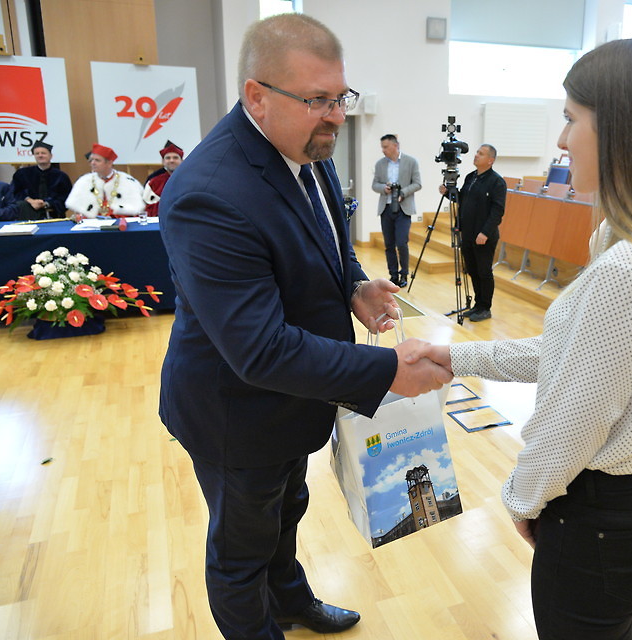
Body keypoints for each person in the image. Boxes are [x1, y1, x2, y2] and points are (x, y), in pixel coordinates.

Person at [157, 14, 451, 640]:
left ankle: (290, 602)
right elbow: (259, 350)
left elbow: (324, 238)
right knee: (241, 550)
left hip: (297, 395)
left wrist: (354, 286)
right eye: (318, 100)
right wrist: (387, 370)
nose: (337, 117)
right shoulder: (210, 192)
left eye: (341, 97)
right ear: (257, 96)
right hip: (236, 412)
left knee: (287, 509)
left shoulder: (305, 148)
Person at [431, 33, 632, 640]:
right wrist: (453, 355)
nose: (561, 141)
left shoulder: (628, 266)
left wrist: (524, 498)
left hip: (599, 520)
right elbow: (570, 356)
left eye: (570, 119)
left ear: (621, 130)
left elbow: (576, 417)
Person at [438, 144, 507, 322]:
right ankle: (478, 304)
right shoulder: (471, 177)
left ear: (490, 160)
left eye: (481, 154)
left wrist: (485, 232)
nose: (476, 155)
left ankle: (485, 307)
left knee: (484, 272)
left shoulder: (497, 182)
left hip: (483, 236)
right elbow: (462, 199)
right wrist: (448, 193)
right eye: (477, 152)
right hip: (467, 233)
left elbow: (497, 211)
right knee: (472, 270)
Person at [371, 134, 421, 287]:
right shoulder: (380, 164)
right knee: (389, 244)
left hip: (403, 208)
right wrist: (383, 188)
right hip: (386, 208)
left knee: (401, 243)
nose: (383, 150)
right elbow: (375, 185)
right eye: (382, 147)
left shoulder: (411, 162)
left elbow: (417, 184)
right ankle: (393, 275)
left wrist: (402, 192)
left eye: (385, 147)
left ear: (395, 145)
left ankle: (404, 274)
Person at [65, 143, 145, 217]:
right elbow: (79, 213)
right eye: (91, 160)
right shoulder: (84, 181)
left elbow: (134, 212)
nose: (93, 163)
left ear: (109, 163)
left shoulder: (127, 181)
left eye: (97, 160)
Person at [10, 141, 72, 219]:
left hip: (54, 216)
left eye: (43, 153)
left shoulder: (61, 176)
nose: (40, 155)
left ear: (51, 156)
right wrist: (30, 201)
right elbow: (15, 192)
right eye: (37, 153)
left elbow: (67, 198)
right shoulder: (22, 174)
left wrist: (46, 203)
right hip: (28, 215)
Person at [142, 140, 184, 217]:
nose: (171, 160)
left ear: (182, 161)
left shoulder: (191, 180)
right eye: (168, 158)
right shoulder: (153, 182)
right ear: (163, 161)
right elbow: (148, 209)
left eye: (175, 158)